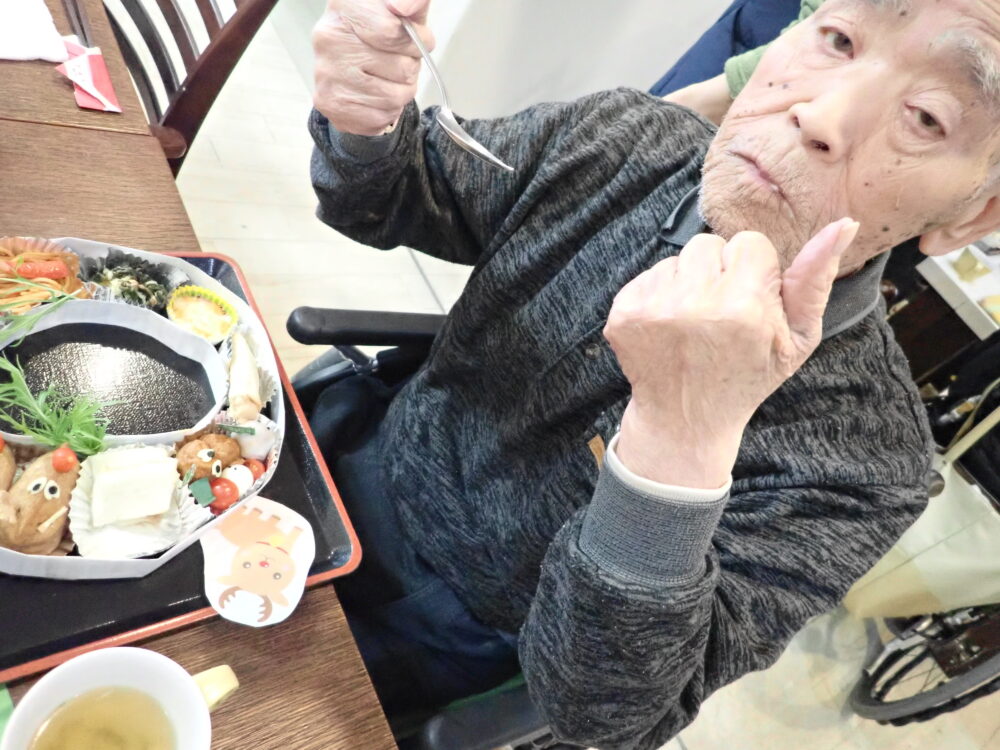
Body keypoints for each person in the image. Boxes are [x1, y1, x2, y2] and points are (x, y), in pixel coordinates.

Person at [308, 0, 1000, 746]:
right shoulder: (631, 139)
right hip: (339, 459)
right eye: (837, 39)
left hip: (442, 640)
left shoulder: (869, 461)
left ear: (976, 213)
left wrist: (678, 445)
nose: (819, 115)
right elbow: (397, 193)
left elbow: (604, 712)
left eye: (927, 118)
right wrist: (367, 118)